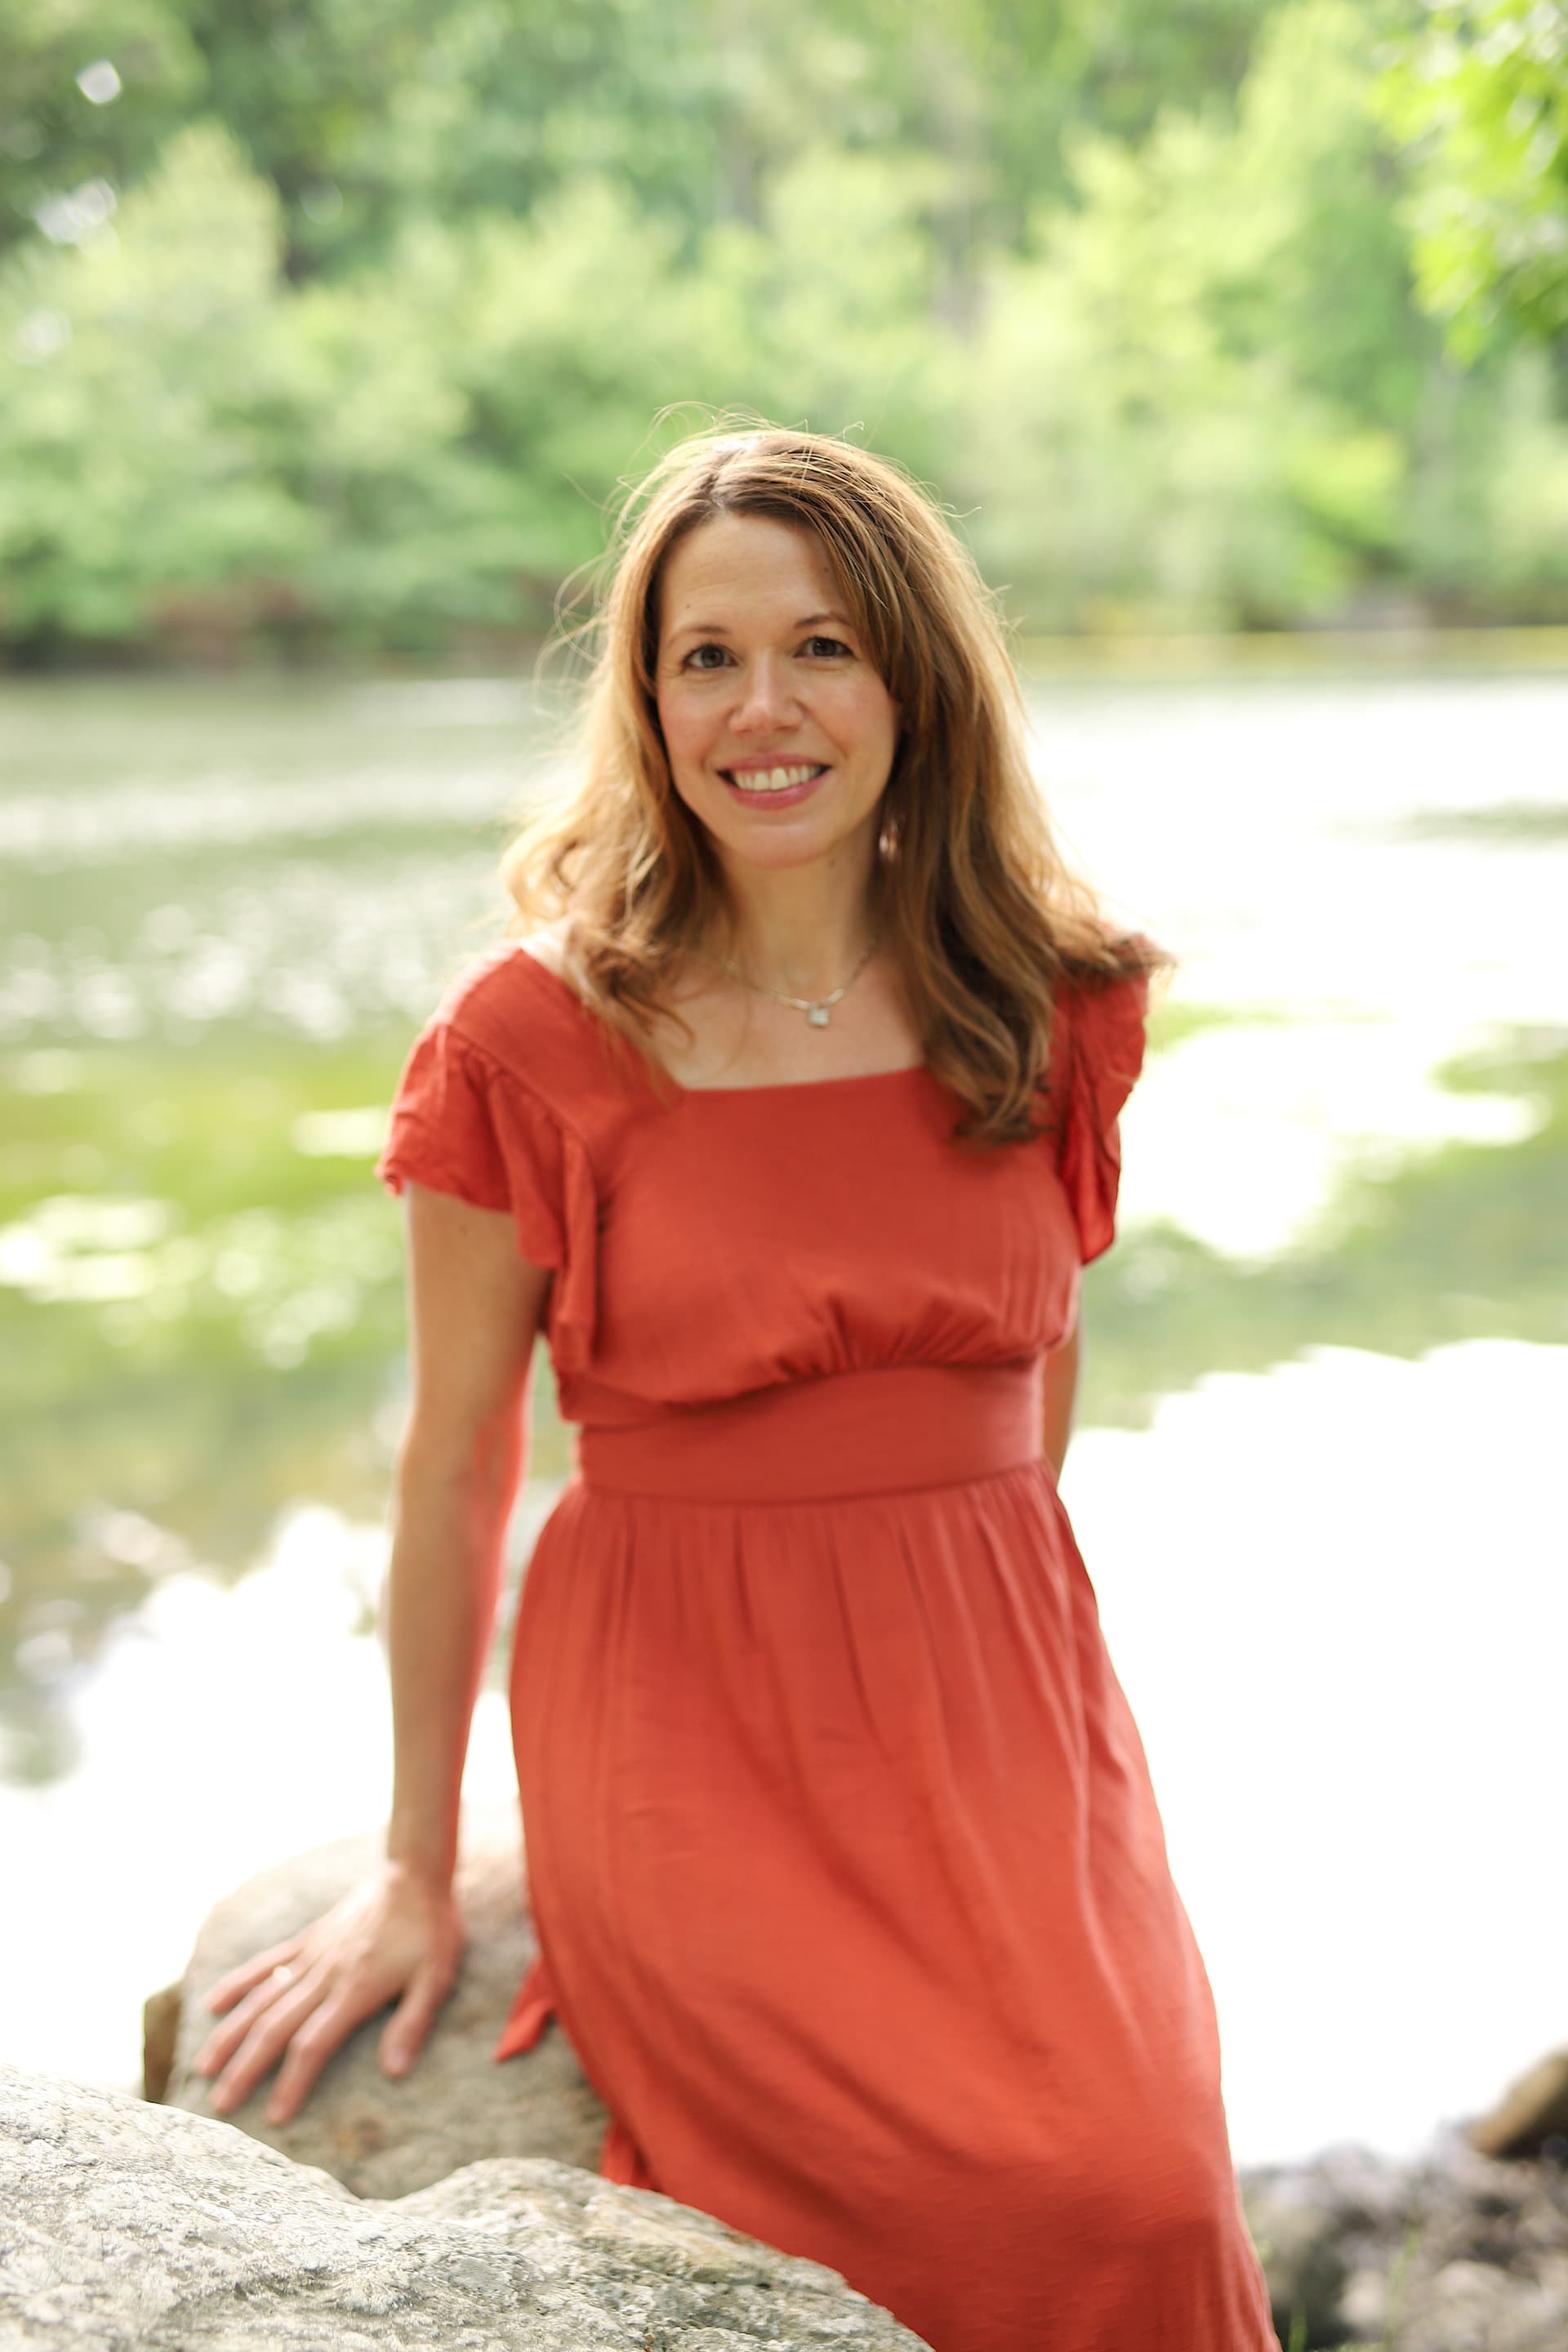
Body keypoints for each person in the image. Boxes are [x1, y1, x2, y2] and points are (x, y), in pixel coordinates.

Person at [194, 425, 1276, 2352]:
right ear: (647, 697)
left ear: (915, 683)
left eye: (825, 648)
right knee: (965, 2189)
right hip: (681, 1688)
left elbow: (1040, 1365)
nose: (763, 707)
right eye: (708, 657)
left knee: (1150, 2183)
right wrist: (419, 1861)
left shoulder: (1049, 994)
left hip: (1000, 1676)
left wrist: (982, 1615)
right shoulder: (533, 1039)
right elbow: (452, 1462)